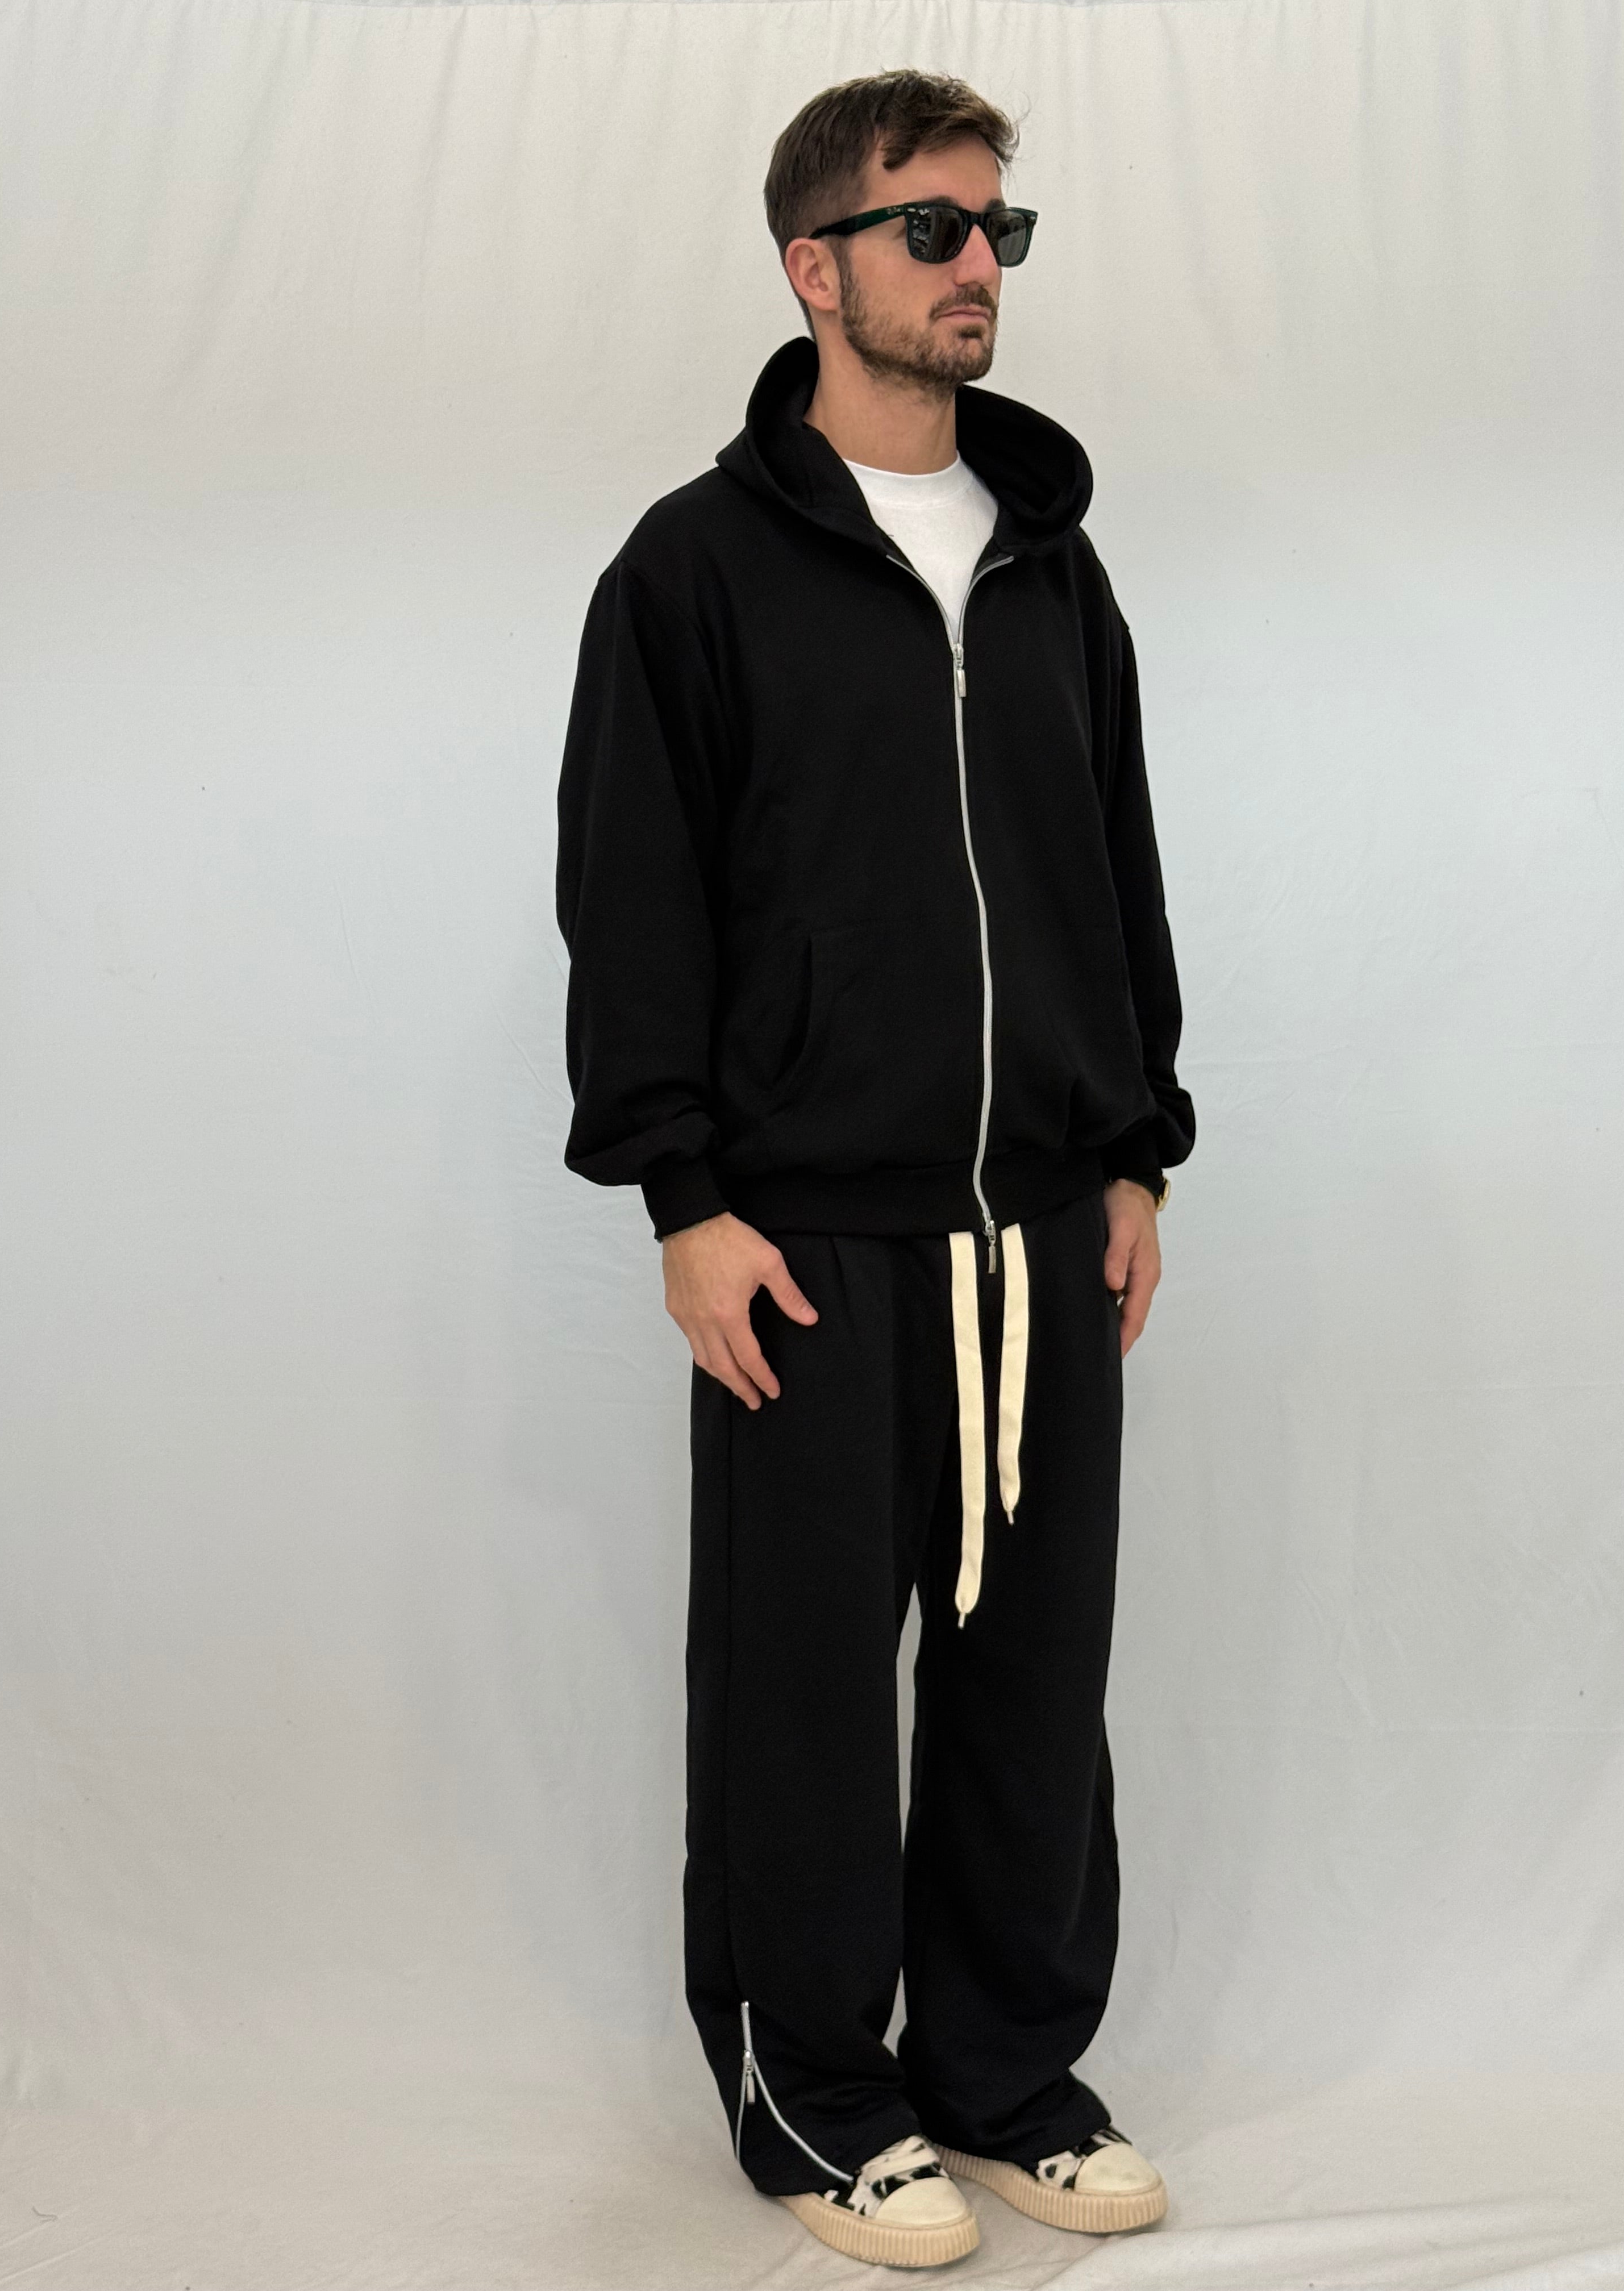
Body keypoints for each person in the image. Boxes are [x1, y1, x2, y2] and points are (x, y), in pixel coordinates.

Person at [555, 67, 1195, 2271]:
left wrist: (1136, 1149)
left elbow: (1111, 867)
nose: (978, 266)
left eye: (1002, 228)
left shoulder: (1050, 561)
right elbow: (634, 894)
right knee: (809, 1696)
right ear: (812, 265)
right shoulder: (698, 566)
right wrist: (684, 1199)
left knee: (1032, 1685)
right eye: (934, 229)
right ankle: (821, 2102)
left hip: (1046, 1225)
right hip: (809, 1236)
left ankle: (1005, 2079)